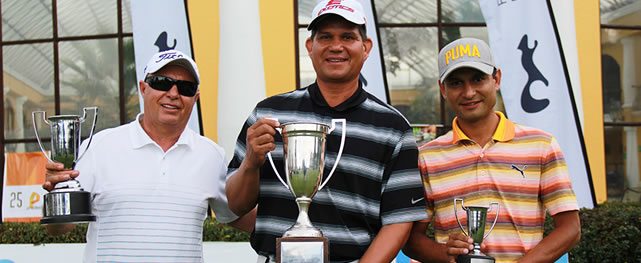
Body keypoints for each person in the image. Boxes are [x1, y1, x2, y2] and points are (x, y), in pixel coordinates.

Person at [225, 0, 427, 262]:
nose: (336, 46)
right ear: (310, 46)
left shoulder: (393, 128)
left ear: (365, 48)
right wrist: (251, 162)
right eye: (326, 37)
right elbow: (235, 204)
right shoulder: (267, 115)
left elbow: (398, 221)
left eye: (347, 37)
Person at [43, 49, 253, 262]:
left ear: (195, 98)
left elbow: (237, 215)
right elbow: (59, 228)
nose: (173, 93)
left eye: (185, 88)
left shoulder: (211, 155)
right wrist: (55, 196)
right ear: (144, 88)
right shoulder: (98, 146)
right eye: (162, 82)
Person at [402, 37, 581, 262]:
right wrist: (448, 254)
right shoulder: (428, 157)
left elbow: (570, 228)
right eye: (456, 83)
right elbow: (410, 239)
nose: (469, 92)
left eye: (478, 79)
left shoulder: (541, 146)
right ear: (442, 89)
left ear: (496, 79)